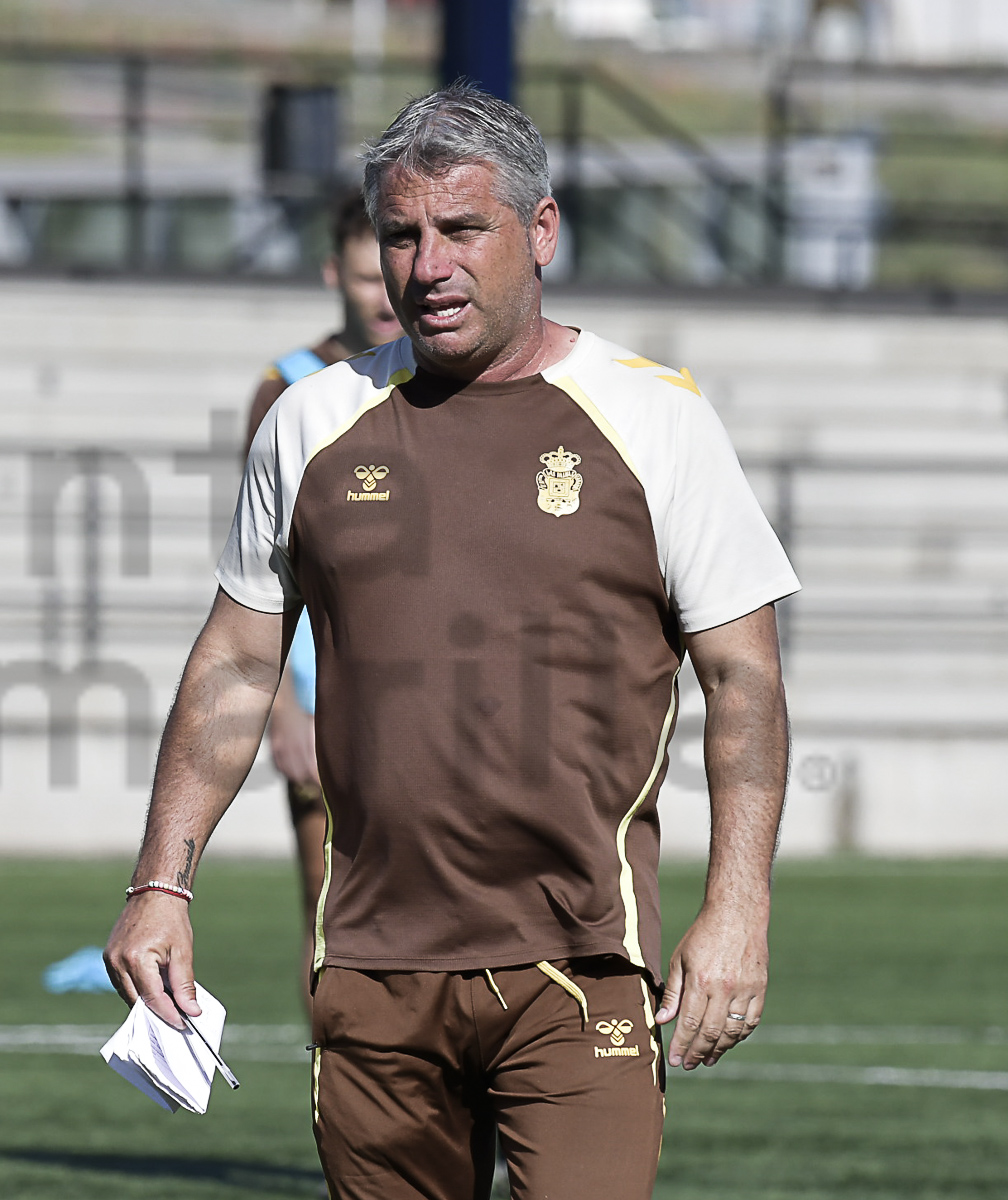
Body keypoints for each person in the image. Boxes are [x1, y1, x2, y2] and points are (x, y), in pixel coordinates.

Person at [106, 82, 798, 1200]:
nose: (428, 266)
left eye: (463, 230)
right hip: (372, 970)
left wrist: (739, 908)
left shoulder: (658, 419)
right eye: (401, 235)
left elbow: (745, 679)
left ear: (541, 230)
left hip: (580, 963)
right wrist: (160, 884)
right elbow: (235, 664)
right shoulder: (310, 421)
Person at [246, 189, 403, 1001]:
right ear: (332, 274)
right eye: (366, 277)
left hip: (434, 696)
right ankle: (337, 1077)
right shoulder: (291, 387)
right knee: (333, 920)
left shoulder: (446, 377)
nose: (384, 295)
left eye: (392, 274)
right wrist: (283, 709)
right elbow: (257, 570)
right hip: (327, 703)